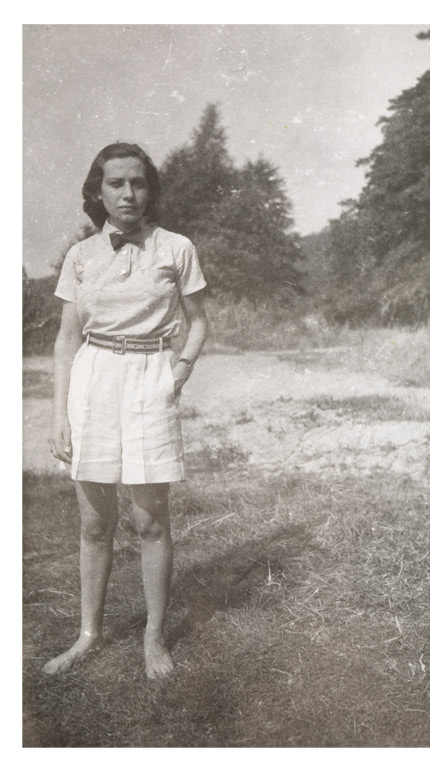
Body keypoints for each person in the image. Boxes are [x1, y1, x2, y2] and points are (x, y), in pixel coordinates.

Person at [43, 142, 208, 679]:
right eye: (116, 183)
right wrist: (59, 414)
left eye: (138, 182)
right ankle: (88, 633)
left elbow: (199, 320)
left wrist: (178, 371)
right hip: (93, 380)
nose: (128, 193)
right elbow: (66, 341)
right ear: (98, 191)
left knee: (149, 520)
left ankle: (153, 637)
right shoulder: (80, 256)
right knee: (94, 523)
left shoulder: (176, 247)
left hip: (149, 379)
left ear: (149, 189)